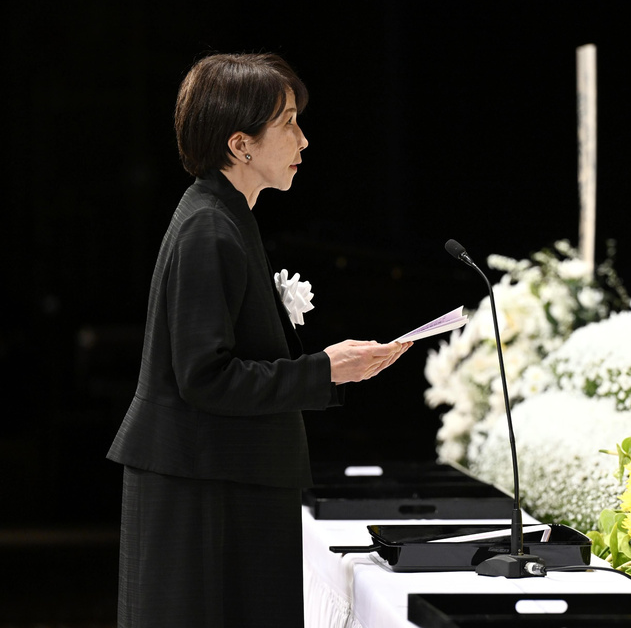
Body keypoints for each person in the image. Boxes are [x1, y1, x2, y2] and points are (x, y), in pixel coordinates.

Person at [107, 52, 410, 627]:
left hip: (222, 475)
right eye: (288, 122)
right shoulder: (207, 228)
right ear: (240, 145)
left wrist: (328, 368)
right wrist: (325, 369)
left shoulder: (225, 216)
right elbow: (206, 378)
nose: (303, 139)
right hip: (200, 487)